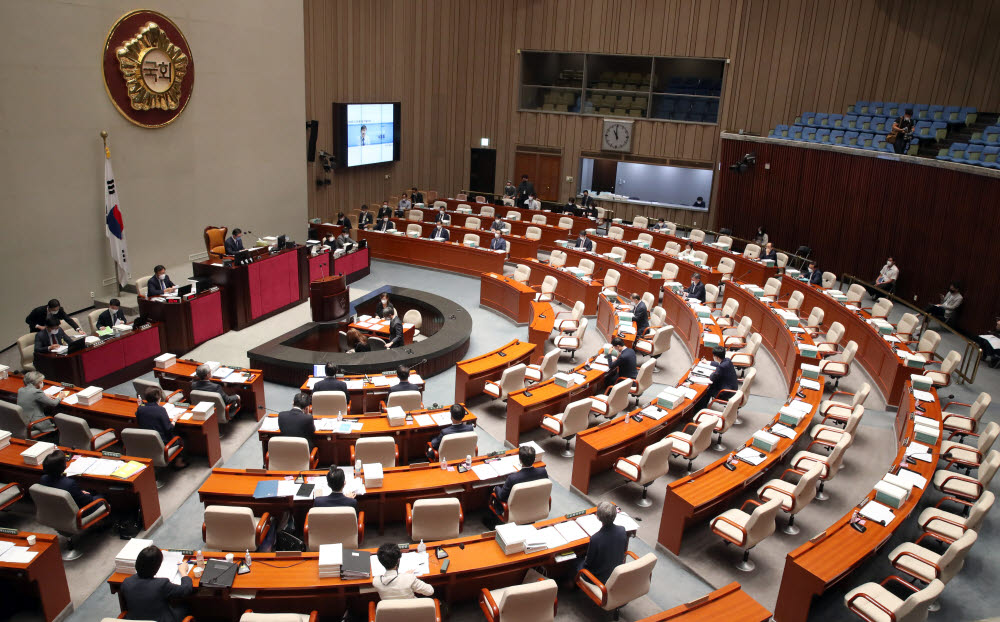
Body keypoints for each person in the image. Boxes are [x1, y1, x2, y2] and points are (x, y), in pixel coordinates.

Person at [120, 545, 194, 622]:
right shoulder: (161, 584)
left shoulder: (126, 582)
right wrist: (183, 572)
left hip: (135, 619)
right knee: (185, 606)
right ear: (157, 567)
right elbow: (186, 589)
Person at [576, 502, 628, 586]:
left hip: (599, 578)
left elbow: (588, 564)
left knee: (575, 561)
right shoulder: (622, 530)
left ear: (598, 517)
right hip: (615, 573)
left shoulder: (595, 539)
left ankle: (573, 585)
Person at [136, 387, 187, 468]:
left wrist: (141, 405)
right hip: (163, 442)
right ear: (159, 399)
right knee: (180, 436)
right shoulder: (160, 410)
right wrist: (174, 420)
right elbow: (169, 428)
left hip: (146, 440)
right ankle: (178, 462)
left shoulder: (140, 409)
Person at [492, 445, 547, 514]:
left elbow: (501, 497)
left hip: (515, 510)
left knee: (493, 491)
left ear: (520, 460)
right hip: (535, 505)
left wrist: (496, 488)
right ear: (534, 459)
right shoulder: (543, 472)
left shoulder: (512, 478)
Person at [40, 451, 104, 508]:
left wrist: (79, 493)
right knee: (102, 496)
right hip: (77, 513)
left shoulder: (43, 479)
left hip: (55, 509)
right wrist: (85, 494)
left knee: (91, 491)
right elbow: (87, 501)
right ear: (64, 466)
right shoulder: (70, 484)